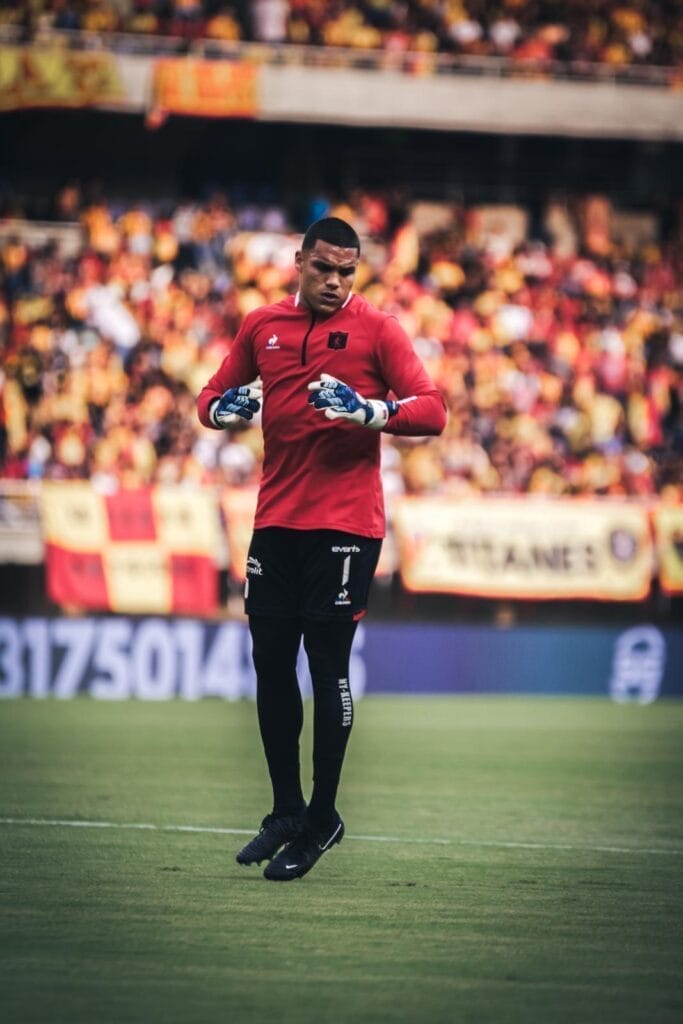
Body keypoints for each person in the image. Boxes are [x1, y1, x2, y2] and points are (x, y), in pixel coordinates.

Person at [197, 217, 447, 881]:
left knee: (327, 662)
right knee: (269, 661)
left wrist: (372, 412)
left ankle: (322, 818)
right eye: (323, 268)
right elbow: (209, 395)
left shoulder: (378, 329)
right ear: (299, 261)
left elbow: (432, 408)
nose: (335, 282)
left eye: (346, 271)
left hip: (344, 525)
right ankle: (285, 810)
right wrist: (222, 409)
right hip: (276, 520)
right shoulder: (261, 326)